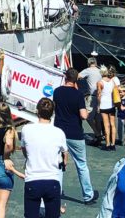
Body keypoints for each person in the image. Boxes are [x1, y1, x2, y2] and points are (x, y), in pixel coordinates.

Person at [52, 67, 98, 205]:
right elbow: (83, 116)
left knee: (59, 164)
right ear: (76, 80)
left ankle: (57, 193)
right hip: (74, 133)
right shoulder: (78, 95)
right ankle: (88, 195)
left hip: (59, 132)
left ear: (65, 77)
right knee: (81, 165)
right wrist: (91, 112)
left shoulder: (57, 91)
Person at [19, 97, 67, 218]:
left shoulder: (26, 129)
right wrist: (63, 163)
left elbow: (25, 150)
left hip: (32, 179)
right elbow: (64, 154)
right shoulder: (59, 132)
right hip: (52, 180)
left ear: (37, 111)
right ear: (52, 113)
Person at [79, 53, 103, 145]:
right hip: (100, 97)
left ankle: (97, 134)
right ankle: (99, 136)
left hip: (92, 97)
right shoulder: (100, 71)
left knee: (88, 117)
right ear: (96, 63)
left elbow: (78, 76)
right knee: (98, 118)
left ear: (88, 63)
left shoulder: (87, 70)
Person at [97, 66, 120, 150]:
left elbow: (99, 95)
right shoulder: (112, 81)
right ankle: (113, 144)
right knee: (113, 125)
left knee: (106, 125)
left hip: (103, 105)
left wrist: (98, 106)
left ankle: (107, 144)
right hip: (111, 105)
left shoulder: (100, 82)